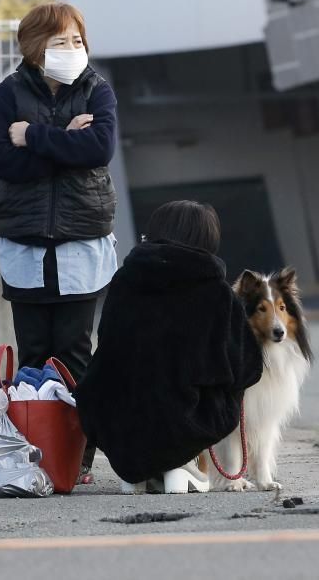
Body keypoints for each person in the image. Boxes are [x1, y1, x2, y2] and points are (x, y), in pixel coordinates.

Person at [0, 2, 119, 480]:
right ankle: (36, 449)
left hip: (81, 243)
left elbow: (99, 148)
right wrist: (65, 143)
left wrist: (37, 137)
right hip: (25, 244)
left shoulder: (97, 91)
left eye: (77, 40)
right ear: (35, 47)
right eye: (61, 41)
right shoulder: (8, 93)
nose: (72, 50)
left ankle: (77, 456)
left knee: (75, 353)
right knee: (35, 353)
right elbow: (1, 160)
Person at [75, 201, 264, 494]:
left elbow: (107, 348)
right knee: (232, 377)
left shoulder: (124, 280)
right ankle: (182, 461)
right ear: (205, 239)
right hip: (185, 423)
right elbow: (248, 368)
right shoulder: (216, 292)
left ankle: (135, 473)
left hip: (119, 427)